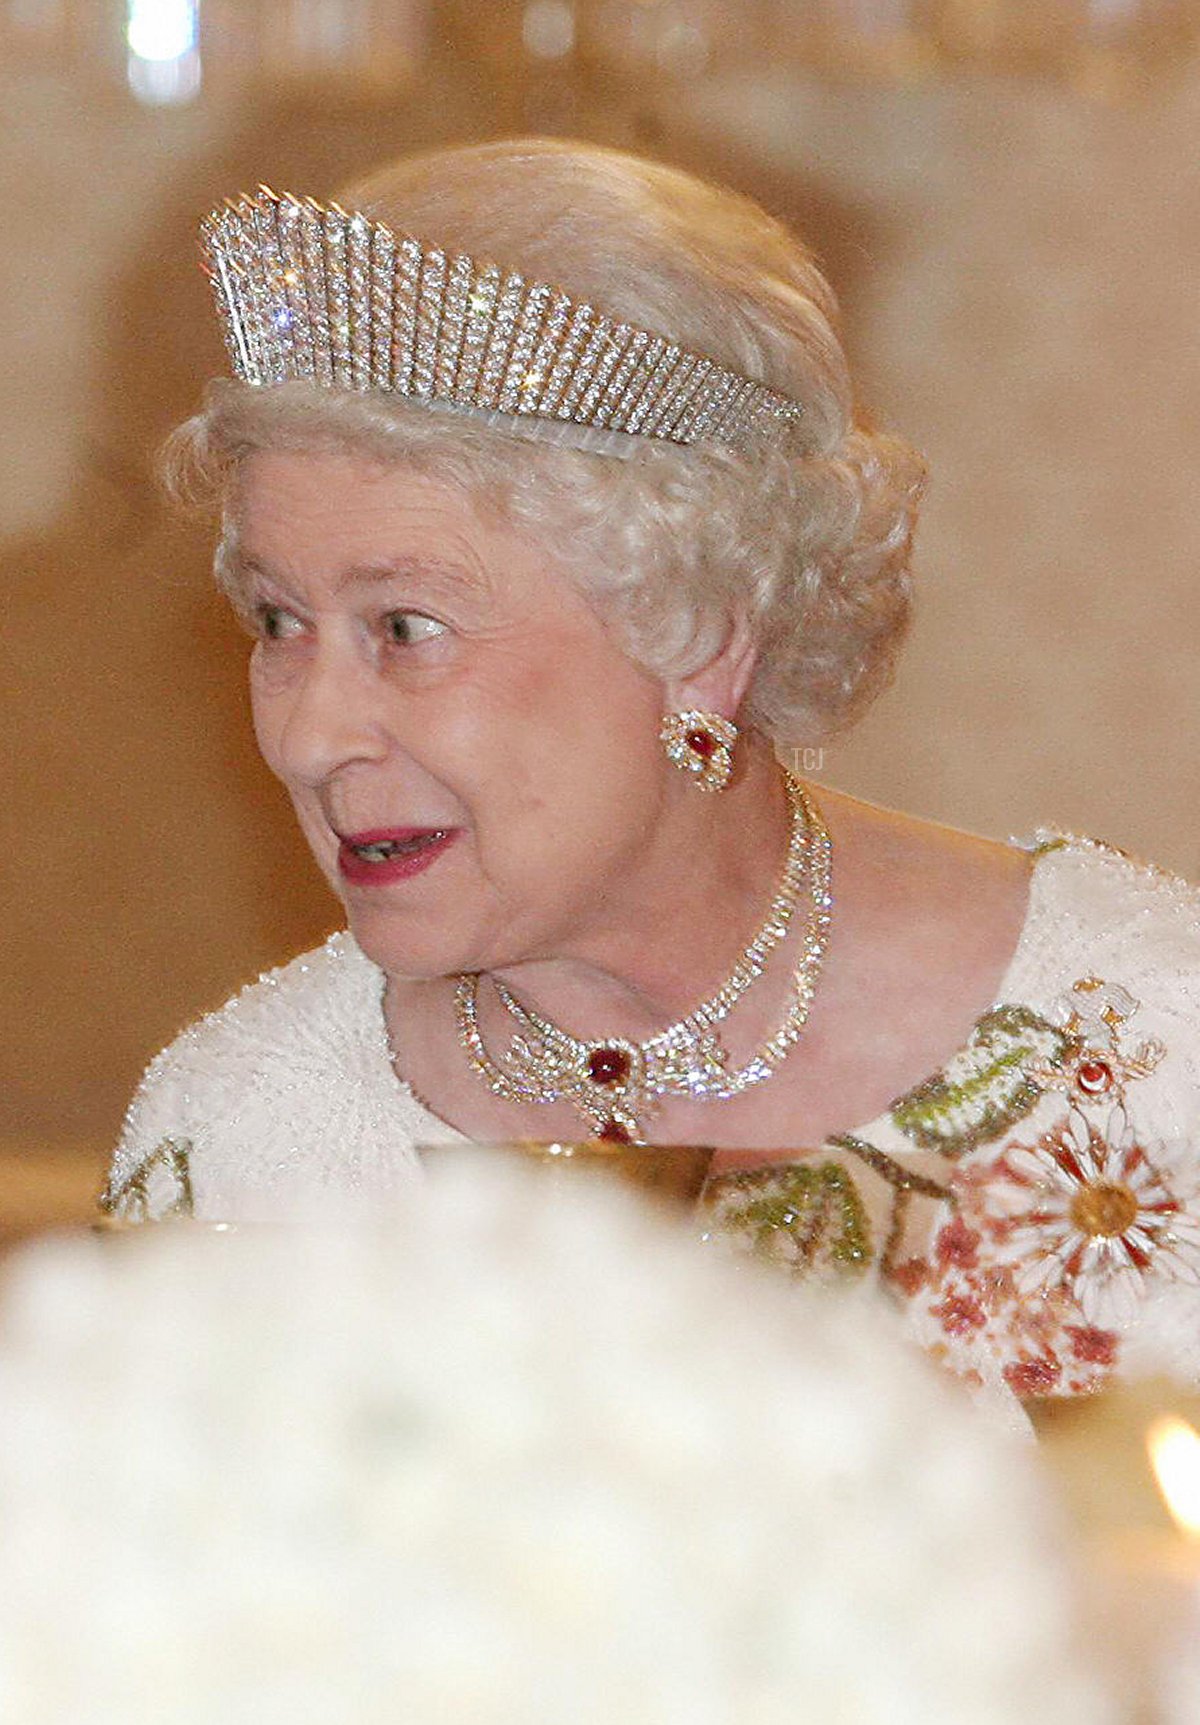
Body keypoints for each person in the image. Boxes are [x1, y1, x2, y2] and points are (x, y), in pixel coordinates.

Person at [105, 137, 1200, 1402]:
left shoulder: (1153, 1055)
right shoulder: (242, 1134)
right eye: (278, 624)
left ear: (703, 635)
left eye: (405, 628)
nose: (306, 735)